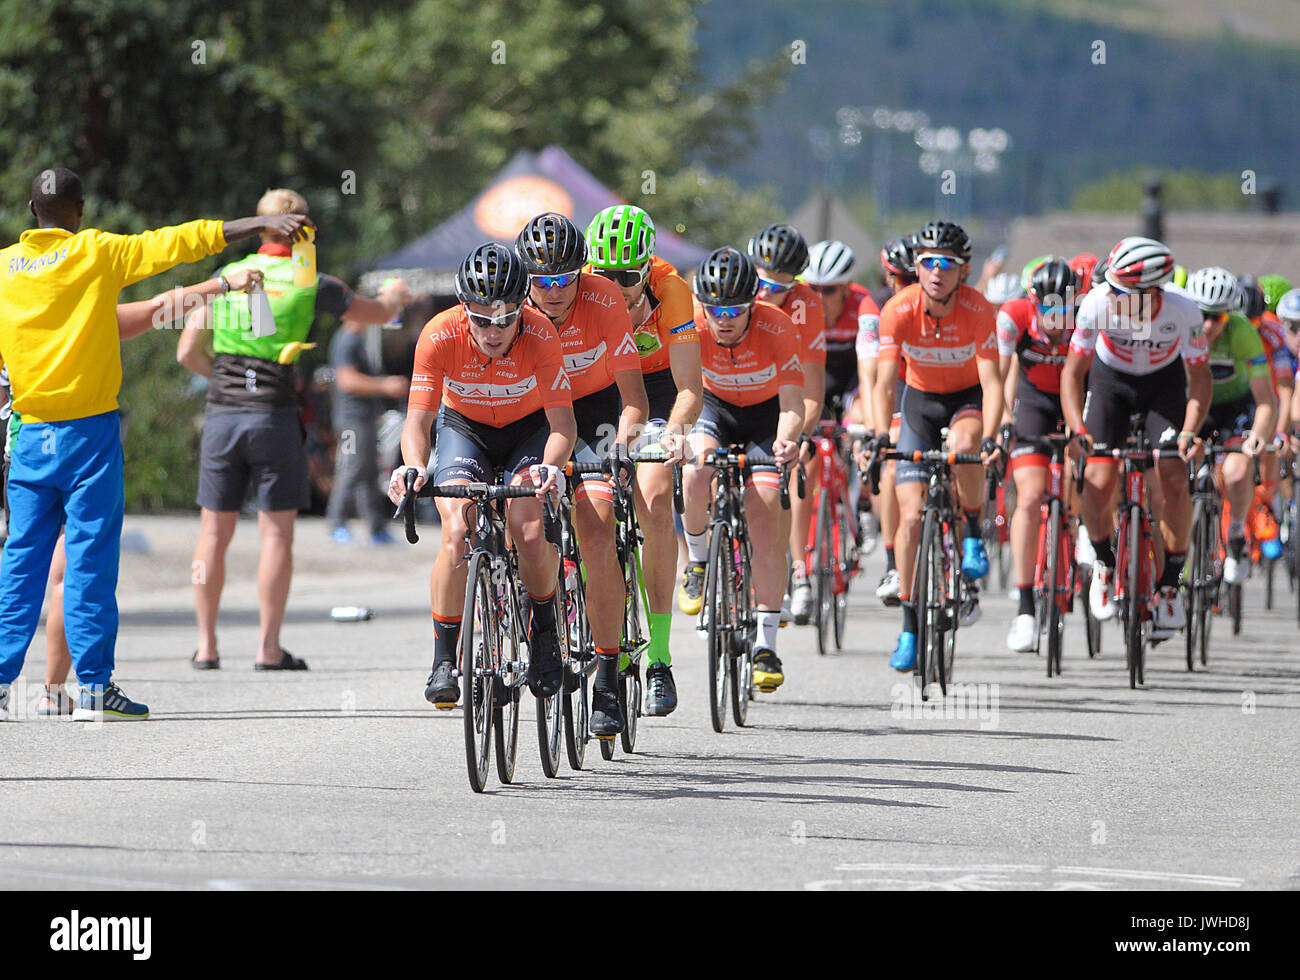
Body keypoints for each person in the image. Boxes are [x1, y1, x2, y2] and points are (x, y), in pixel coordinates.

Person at [0, 166, 309, 721]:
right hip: (86, 435)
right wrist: (257, 224)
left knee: (20, 561)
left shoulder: (3, 270)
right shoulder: (94, 253)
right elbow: (180, 241)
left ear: (30, 213)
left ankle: (2, 682)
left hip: (28, 434)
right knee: (90, 560)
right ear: (81, 212)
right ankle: (94, 689)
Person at [177, 188, 409, 671]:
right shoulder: (314, 282)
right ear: (304, 229)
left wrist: (223, 380)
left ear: (258, 227)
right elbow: (378, 314)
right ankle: (267, 649)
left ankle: (206, 646)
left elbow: (186, 352)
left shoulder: (225, 277)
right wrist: (394, 295)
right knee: (276, 536)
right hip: (274, 417)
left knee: (212, 534)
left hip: (222, 416)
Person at [387, 242, 576, 707]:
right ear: (462, 307)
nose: (493, 330)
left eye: (505, 318)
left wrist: (551, 466)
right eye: (481, 318)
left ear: (522, 308)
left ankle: (546, 634)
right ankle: (444, 659)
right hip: (465, 430)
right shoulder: (439, 334)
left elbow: (563, 424)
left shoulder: (541, 335)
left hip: (528, 433)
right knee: (457, 528)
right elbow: (418, 421)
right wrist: (414, 465)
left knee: (529, 530)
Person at [516, 212, 647, 736]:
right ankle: (536, 625)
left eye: (563, 278)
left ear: (581, 271)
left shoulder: (604, 300)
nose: (552, 291)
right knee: (519, 524)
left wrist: (621, 446)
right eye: (541, 280)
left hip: (594, 413)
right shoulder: (512, 307)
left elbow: (633, 400)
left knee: (595, 525)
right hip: (532, 415)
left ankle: (609, 675)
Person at [1060, 237, 1211, 638]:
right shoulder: (1096, 303)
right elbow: (1073, 374)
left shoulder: (1183, 310)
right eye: (1110, 287)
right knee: (1096, 480)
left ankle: (1170, 585)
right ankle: (1105, 562)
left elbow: (1199, 379)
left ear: (1152, 292)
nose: (1111, 297)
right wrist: (1077, 430)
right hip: (1112, 386)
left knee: (1175, 479)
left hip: (1163, 387)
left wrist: (1191, 432)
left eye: (1121, 292)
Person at [872, 220, 1005, 671]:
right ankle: (909, 625)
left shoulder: (979, 309)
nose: (936, 271)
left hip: (967, 401)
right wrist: (876, 433)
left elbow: (993, 382)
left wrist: (992, 437)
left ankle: (970, 531)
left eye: (947, 263)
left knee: (967, 441)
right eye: (928, 262)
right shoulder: (899, 309)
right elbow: (884, 382)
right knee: (910, 518)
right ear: (917, 267)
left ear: (963, 271)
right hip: (920, 404)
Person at [584, 205, 701, 716]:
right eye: (603, 275)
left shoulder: (670, 289)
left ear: (647, 266)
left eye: (626, 277)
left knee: (654, 498)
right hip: (598, 393)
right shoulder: (576, 289)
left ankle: (658, 655)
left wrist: (674, 435)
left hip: (655, 393)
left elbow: (690, 388)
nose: (614, 287)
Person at [679, 247, 803, 691]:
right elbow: (685, 389)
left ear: (752, 304)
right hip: (715, 410)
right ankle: (696, 561)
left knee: (766, 507)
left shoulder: (776, 325)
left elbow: (792, 403)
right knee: (695, 473)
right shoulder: (691, 323)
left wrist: (788, 439)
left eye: (734, 309)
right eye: (715, 309)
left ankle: (766, 644)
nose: (724, 319)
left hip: (766, 418)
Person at [998, 259, 1080, 651]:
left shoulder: (1088, 322)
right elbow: (997, 377)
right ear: (1033, 303)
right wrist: (1000, 422)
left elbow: (1101, 380)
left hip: (1078, 402)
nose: (1055, 318)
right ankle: (1026, 607)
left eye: (1062, 309)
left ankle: (1082, 533)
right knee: (1029, 497)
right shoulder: (1014, 316)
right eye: (1046, 309)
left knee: (1083, 480)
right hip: (1034, 404)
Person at [746, 223, 826, 624]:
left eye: (778, 288)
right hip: (732, 392)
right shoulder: (733, 286)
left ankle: (794, 567)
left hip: (782, 395)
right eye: (760, 284)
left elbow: (811, 390)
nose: (766, 295)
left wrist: (801, 435)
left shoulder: (807, 304)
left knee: (792, 469)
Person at [1184, 267, 1276, 584]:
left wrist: (1258, 439)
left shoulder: (1242, 332)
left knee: (1237, 473)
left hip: (1234, 407)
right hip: (1192, 406)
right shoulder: (1180, 328)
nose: (1209, 325)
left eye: (1218, 318)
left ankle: (1236, 530)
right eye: (1202, 315)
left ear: (1230, 314)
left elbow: (1266, 400)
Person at [862, 235, 918, 606]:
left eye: (913, 282)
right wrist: (873, 431)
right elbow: (870, 378)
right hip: (896, 383)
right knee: (891, 469)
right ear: (887, 278)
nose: (908, 291)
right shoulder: (877, 307)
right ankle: (891, 562)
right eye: (901, 281)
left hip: (936, 385)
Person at [326, 317, 410, 545]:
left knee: (370, 472)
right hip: (351, 420)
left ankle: (376, 527)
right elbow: (347, 381)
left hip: (363, 419)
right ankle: (337, 523)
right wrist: (385, 385)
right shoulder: (347, 341)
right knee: (350, 469)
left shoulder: (356, 340)